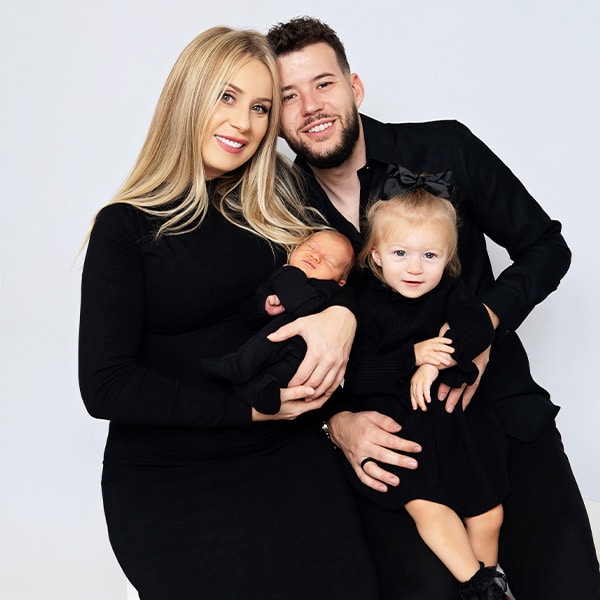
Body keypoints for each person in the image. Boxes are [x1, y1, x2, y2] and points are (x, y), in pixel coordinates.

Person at [266, 16, 600, 600]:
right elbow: (275, 345)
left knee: (568, 584)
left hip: (498, 411)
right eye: (288, 96)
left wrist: (484, 325)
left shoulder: (445, 147)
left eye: (323, 84)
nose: (310, 106)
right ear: (274, 118)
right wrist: (334, 422)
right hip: (394, 445)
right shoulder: (273, 211)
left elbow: (547, 247)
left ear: (355, 87)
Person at [78, 27, 379, 599]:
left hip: (288, 459)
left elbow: (351, 275)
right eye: (227, 96)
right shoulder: (125, 226)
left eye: (261, 107)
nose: (243, 122)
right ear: (187, 97)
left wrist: (344, 315)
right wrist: (244, 414)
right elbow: (105, 387)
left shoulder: (277, 202)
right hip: (172, 483)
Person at [345, 186, 510, 599]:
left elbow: (479, 328)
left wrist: (434, 363)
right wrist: (411, 357)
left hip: (458, 427)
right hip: (406, 430)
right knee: (430, 510)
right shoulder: (365, 304)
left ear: (447, 260)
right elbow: (357, 375)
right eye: (401, 253)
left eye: (430, 256)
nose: (415, 268)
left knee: (489, 514)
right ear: (377, 255)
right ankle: (479, 586)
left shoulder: (451, 293)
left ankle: (489, 579)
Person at [200, 229, 355, 415]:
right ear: (294, 249)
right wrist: (263, 306)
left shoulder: (327, 289)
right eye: (311, 248)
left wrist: (287, 272)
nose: (315, 257)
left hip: (301, 357)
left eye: (329, 261)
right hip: (267, 352)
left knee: (279, 349)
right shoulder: (273, 280)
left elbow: (304, 305)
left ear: (340, 282)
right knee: (261, 379)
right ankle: (255, 390)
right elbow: (247, 315)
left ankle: (240, 368)